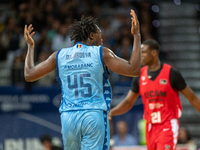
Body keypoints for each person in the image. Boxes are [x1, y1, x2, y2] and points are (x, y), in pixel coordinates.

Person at [23, 9, 141, 150]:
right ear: (91, 35)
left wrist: (30, 47)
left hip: (68, 117)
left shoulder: (59, 55)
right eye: (100, 35)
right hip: (92, 114)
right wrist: (137, 36)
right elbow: (133, 69)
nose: (102, 40)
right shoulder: (101, 52)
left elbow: (29, 75)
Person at [109, 39, 200, 150]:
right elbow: (128, 102)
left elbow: (192, 97)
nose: (140, 55)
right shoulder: (140, 76)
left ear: (154, 53)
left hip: (167, 124)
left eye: (143, 52)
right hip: (150, 126)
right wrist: (111, 112)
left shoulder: (172, 74)